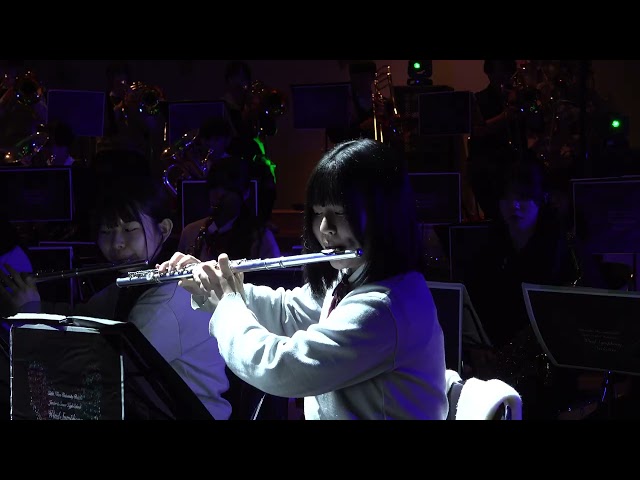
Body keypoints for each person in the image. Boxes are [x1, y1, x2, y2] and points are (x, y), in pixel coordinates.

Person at [159, 138, 449, 420]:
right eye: (318, 212)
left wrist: (227, 304)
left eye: (340, 212)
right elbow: (288, 311)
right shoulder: (352, 276)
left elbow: (281, 367)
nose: (325, 228)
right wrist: (214, 284)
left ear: (383, 214)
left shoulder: (384, 308)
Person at [0, 175, 232, 420]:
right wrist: (29, 303)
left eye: (129, 229)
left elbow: (100, 369)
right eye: (106, 231)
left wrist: (30, 313)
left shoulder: (170, 298)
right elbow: (81, 314)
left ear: (163, 229)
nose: (117, 243)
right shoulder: (129, 285)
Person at [463, 152, 602, 419]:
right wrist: (478, 350)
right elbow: (474, 301)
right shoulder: (489, 245)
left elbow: (585, 312)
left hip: (551, 365)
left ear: (540, 199)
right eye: (507, 198)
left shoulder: (564, 247)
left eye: (523, 197)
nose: (514, 206)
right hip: (499, 359)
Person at [178, 154, 281, 263]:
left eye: (228, 189)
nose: (219, 195)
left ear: (245, 193)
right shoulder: (190, 232)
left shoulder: (262, 237)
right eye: (214, 187)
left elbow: (274, 273)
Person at [221, 60, 279, 226]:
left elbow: (271, 130)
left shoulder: (252, 104)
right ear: (228, 80)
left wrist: (262, 110)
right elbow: (238, 133)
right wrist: (247, 114)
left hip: (253, 157)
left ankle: (264, 220)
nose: (240, 83)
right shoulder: (224, 106)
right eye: (236, 78)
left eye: (243, 78)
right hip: (232, 156)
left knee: (268, 175)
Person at [0, 60, 48, 154]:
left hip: (28, 143)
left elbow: (44, 118)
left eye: (13, 76)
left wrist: (35, 98)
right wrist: (7, 95)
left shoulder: (35, 93)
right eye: (8, 75)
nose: (10, 79)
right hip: (6, 144)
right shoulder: (5, 92)